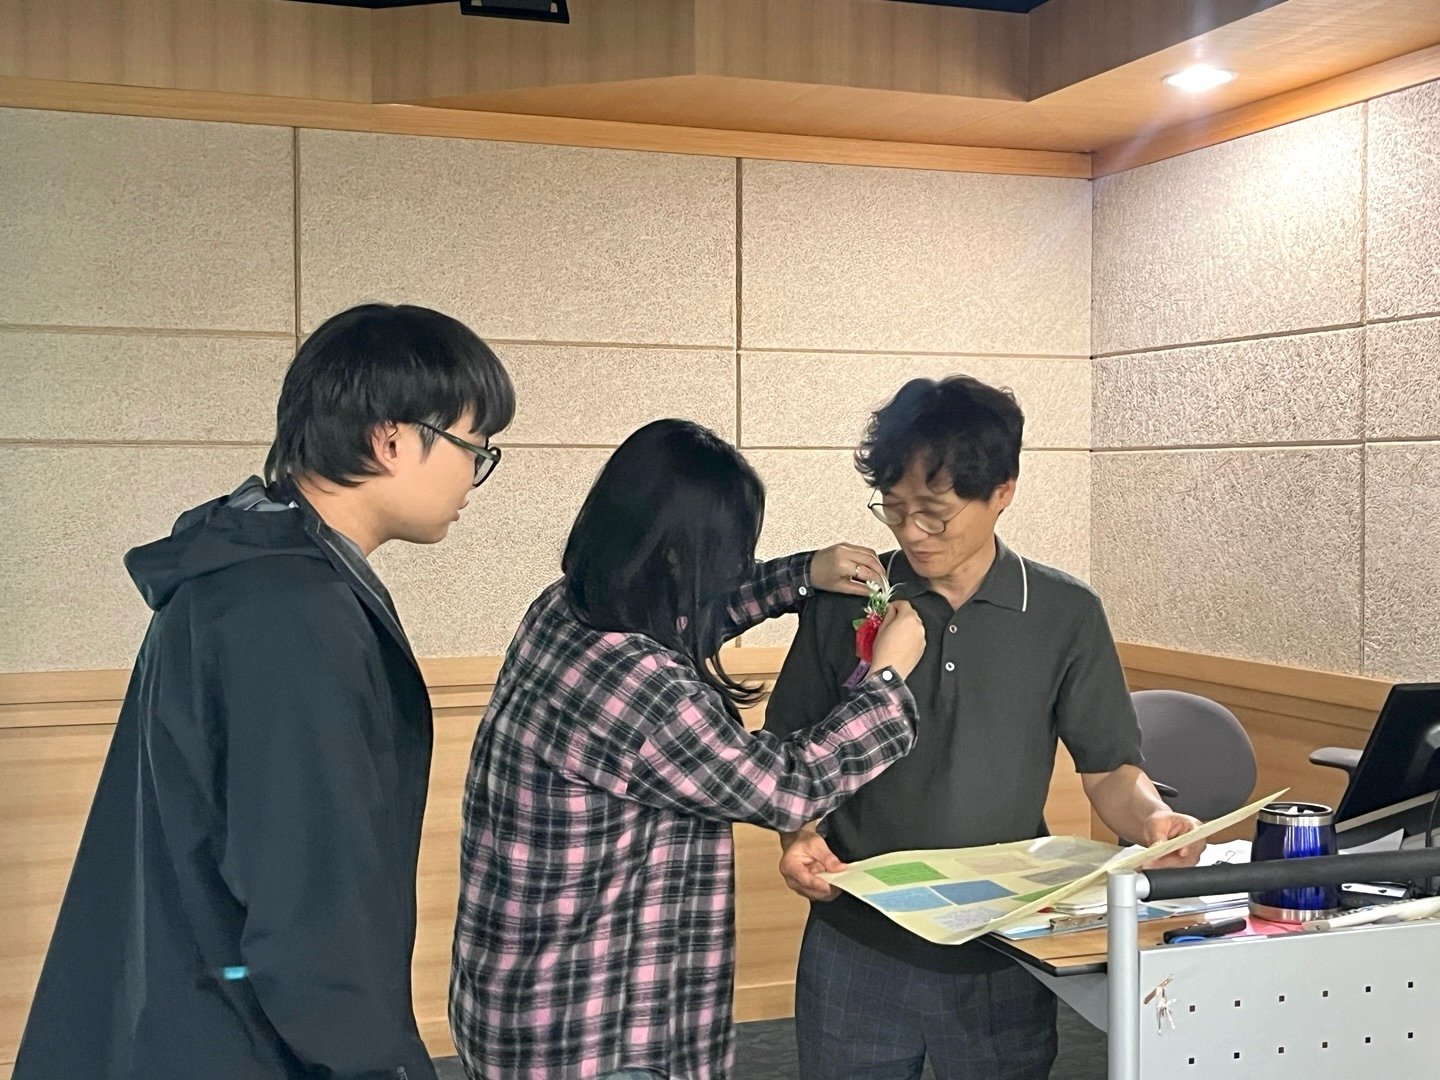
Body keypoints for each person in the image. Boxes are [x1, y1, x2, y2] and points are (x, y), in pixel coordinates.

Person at [14, 303, 516, 1080]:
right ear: (391, 439)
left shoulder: (248, 568)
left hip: (191, 1019)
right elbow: (307, 904)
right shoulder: (293, 612)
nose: (474, 476)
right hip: (241, 1041)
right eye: (472, 448)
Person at [450, 418, 927, 1080]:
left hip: (523, 1001)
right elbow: (788, 786)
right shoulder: (641, 687)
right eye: (727, 553)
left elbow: (686, 609)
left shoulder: (566, 609)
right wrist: (889, 679)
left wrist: (800, 575)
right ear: (676, 554)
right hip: (592, 1037)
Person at [763, 376, 1203, 1080]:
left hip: (1004, 944)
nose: (911, 532)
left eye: (935, 514)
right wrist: (799, 836)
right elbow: (787, 757)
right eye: (895, 508)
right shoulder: (847, 602)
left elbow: (1110, 771)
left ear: (1003, 491)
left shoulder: (1064, 612)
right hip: (857, 935)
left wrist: (1152, 820)